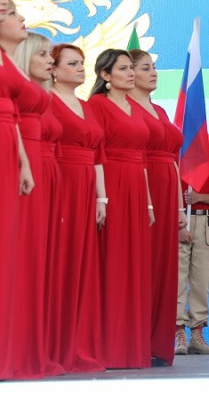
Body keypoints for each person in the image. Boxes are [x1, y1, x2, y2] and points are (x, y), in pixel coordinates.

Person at [89, 49, 154, 369]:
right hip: (111, 184)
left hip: (136, 189)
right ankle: (108, 347)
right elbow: (95, 153)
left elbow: (142, 159)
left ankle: (131, 348)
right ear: (105, 75)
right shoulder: (96, 106)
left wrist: (149, 201)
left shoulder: (135, 107)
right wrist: (100, 197)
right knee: (111, 262)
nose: (131, 74)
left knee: (134, 266)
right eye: (124, 69)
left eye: (132, 68)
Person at [48, 43, 105, 374]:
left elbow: (98, 155)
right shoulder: (47, 101)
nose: (81, 68)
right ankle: (55, 344)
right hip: (62, 182)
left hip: (87, 187)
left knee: (82, 263)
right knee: (61, 261)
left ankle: (78, 344)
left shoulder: (86, 106)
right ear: (54, 69)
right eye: (72, 63)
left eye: (82, 62)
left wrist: (101, 198)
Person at [11, 30, 64, 378]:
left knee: (39, 260)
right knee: (23, 257)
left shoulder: (43, 95)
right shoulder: (17, 89)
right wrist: (25, 166)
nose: (50, 61)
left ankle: (33, 346)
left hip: (46, 173)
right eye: (42, 54)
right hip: (25, 169)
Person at [129, 49, 185, 366]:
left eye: (154, 67)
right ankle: (134, 341)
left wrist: (179, 206)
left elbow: (173, 161)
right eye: (144, 68)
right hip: (143, 189)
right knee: (143, 266)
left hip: (167, 192)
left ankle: (157, 344)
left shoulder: (161, 110)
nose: (153, 73)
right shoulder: (125, 109)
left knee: (164, 268)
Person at [0, 0, 34, 380]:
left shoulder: (6, 57)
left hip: (9, 147)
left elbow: (14, 115)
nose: (4, 4)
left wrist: (23, 162)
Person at [176, 149, 209, 355]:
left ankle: (197, 334)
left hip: (204, 221)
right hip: (180, 219)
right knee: (178, 280)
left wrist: (198, 197)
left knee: (202, 281)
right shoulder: (177, 155)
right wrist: (179, 224)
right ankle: (178, 333)